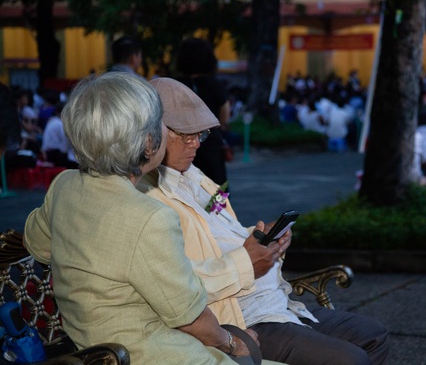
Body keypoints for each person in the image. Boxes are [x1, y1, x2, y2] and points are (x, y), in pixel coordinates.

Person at [139, 77, 389, 365]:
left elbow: (223, 233)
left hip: (276, 302)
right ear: (153, 134)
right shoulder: (148, 197)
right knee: (351, 359)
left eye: (201, 135)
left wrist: (263, 238)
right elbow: (176, 287)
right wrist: (248, 260)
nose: (196, 143)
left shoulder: (195, 177)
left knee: (374, 334)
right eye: (186, 135)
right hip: (240, 317)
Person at [23, 73, 249, 364]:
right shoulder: (150, 217)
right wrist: (233, 344)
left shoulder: (64, 185)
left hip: (91, 350)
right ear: (148, 142)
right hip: (154, 355)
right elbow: (190, 319)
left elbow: (36, 243)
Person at [176, 37, 231, 186]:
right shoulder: (215, 85)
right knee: (216, 195)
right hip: (211, 147)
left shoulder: (175, 85)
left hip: (180, 146)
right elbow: (224, 118)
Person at [41, 102, 77, 168]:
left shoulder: (52, 121)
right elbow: (64, 146)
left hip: (49, 152)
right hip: (53, 154)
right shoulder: (59, 123)